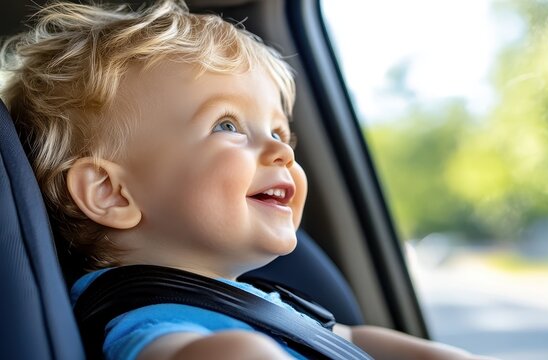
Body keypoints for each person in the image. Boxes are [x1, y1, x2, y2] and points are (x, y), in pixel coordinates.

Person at [0, 1, 494, 359]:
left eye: (280, 131)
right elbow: (173, 350)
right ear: (111, 193)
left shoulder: (262, 301)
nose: (282, 150)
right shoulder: (142, 312)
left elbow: (348, 338)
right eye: (228, 126)